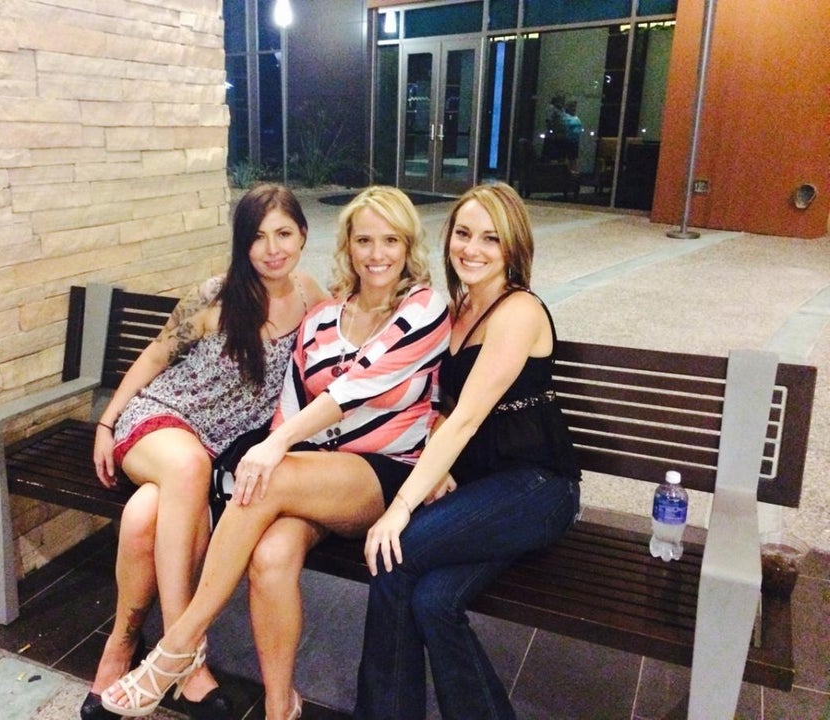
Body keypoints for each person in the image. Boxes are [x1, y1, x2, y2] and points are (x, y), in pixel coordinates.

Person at [99, 186, 452, 719]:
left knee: (266, 478)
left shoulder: (422, 307)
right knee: (269, 557)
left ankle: (177, 648)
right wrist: (277, 443)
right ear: (347, 246)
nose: (377, 254)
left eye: (391, 240)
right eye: (364, 240)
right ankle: (280, 705)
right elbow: (290, 402)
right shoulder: (323, 316)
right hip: (306, 471)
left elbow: (355, 386)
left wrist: (274, 448)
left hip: (380, 473)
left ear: (408, 246)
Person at [80, 183, 326, 720]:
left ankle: (121, 645)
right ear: (242, 244)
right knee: (188, 465)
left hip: (221, 450)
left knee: (143, 517)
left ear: (304, 235)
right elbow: (155, 356)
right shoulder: (217, 295)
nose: (272, 249)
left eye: (284, 233)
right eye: (257, 237)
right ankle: (183, 654)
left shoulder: (311, 295)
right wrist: (107, 421)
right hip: (160, 422)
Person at [354, 181, 582, 720]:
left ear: (513, 247)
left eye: (490, 238)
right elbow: (441, 408)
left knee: (393, 555)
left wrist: (400, 507)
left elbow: (467, 418)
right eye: (463, 233)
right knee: (433, 601)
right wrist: (438, 461)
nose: (471, 249)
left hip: (539, 489)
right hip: (485, 492)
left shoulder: (518, 311)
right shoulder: (459, 307)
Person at [563, 99, 583, 172]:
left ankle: (574, 172)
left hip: (575, 141)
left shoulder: (575, 117)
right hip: (568, 140)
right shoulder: (565, 117)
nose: (574, 108)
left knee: (574, 158)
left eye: (574, 107)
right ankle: (567, 172)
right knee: (569, 158)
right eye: (572, 106)